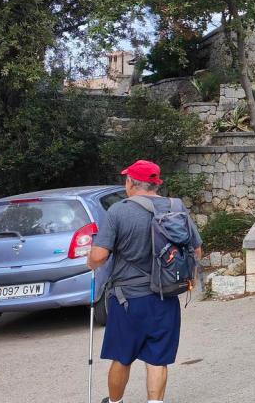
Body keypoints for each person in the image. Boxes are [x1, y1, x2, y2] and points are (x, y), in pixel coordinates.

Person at [87, 160, 203, 403]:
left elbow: (99, 256)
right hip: (165, 294)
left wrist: (91, 261)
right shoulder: (175, 207)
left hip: (128, 299)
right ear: (156, 183)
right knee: (157, 358)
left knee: (122, 357)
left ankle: (115, 402)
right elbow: (197, 251)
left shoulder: (118, 211)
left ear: (130, 182)